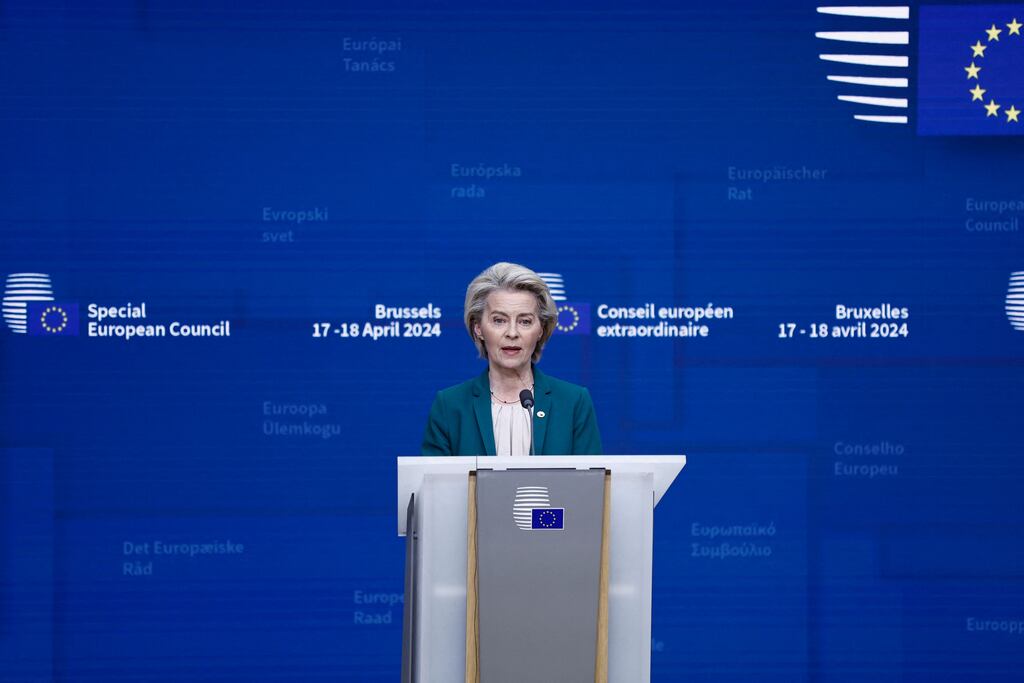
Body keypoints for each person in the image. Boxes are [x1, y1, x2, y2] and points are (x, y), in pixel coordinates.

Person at [421, 262, 602, 456]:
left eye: (525, 321)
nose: (512, 333)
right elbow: (434, 484)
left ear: (541, 329)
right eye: (499, 320)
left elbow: (590, 483)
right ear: (478, 328)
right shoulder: (450, 405)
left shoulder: (573, 402)